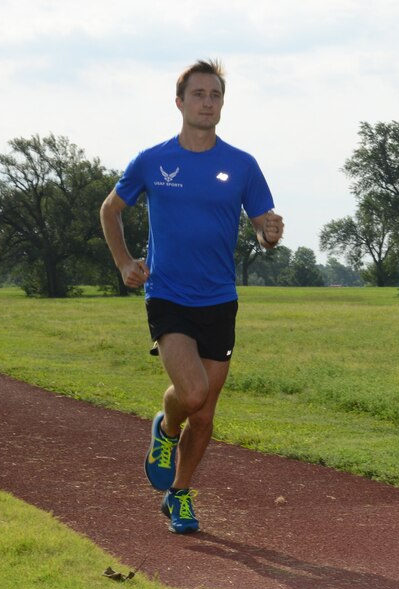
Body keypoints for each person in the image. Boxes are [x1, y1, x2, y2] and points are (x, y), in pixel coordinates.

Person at [100, 59, 283, 534]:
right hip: (167, 295)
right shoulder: (152, 161)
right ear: (179, 102)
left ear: (223, 104)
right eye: (198, 94)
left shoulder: (242, 165)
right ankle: (164, 428)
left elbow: (266, 228)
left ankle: (178, 494)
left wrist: (269, 232)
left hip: (219, 299)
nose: (207, 102)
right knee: (193, 391)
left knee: (203, 415)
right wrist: (124, 263)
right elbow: (110, 209)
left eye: (215, 95)